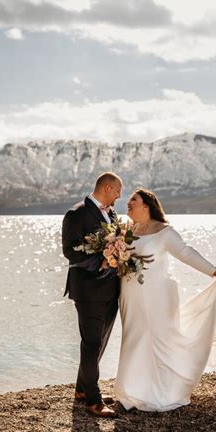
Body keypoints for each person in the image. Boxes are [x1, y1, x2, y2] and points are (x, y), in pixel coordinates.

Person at [114, 188, 216, 412]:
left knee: (159, 338)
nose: (128, 203)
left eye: (133, 201)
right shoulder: (126, 230)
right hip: (130, 293)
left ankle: (163, 391)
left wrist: (213, 271)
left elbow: (186, 253)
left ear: (146, 206)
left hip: (158, 294)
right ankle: (131, 390)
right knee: (134, 336)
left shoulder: (165, 232)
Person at [62, 172, 123, 418]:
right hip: (88, 290)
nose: (120, 196)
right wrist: (102, 261)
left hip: (111, 289)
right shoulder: (76, 213)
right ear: (107, 188)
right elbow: (71, 251)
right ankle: (94, 401)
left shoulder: (113, 214)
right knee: (91, 344)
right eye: (118, 191)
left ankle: (82, 390)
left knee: (101, 341)